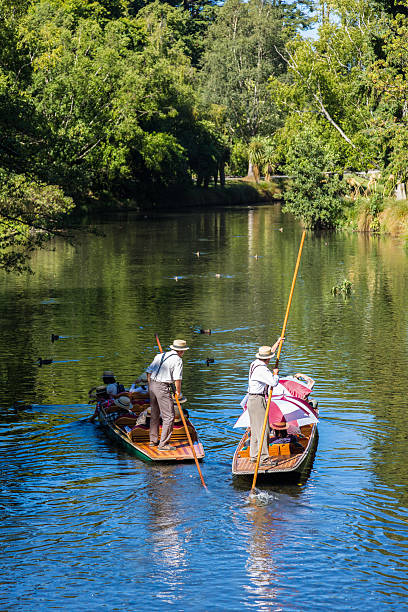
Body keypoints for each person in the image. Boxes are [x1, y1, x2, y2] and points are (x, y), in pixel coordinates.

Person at [146, 339, 189, 451]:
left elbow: (148, 372)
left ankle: (153, 440)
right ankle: (163, 444)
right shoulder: (178, 360)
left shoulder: (159, 356)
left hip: (152, 384)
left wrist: (151, 386)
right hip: (162, 387)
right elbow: (177, 379)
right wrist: (178, 393)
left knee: (154, 413)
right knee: (169, 416)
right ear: (181, 351)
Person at [247, 338, 283, 465]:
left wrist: (277, 343)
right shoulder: (262, 370)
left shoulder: (255, 363)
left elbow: (269, 354)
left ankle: (254, 456)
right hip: (258, 400)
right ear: (267, 359)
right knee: (264, 430)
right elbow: (274, 382)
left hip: (252, 400)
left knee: (256, 429)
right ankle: (264, 459)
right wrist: (276, 374)